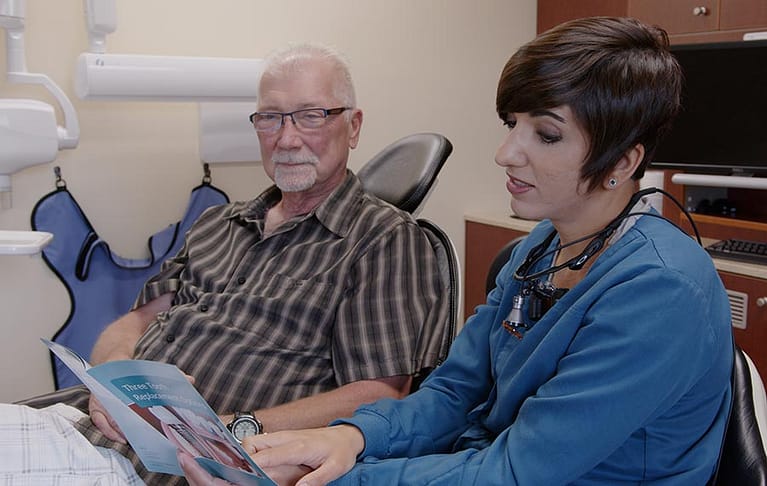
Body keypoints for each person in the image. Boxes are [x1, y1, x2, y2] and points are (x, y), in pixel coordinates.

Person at [182, 17, 734, 485]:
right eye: (511, 125)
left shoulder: (661, 290)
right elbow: (452, 391)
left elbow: (519, 471)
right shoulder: (540, 248)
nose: (505, 153)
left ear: (622, 163)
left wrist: (337, 476)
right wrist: (348, 437)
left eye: (545, 135)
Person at [7, 42, 448, 485]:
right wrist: (110, 382)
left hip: (173, 472)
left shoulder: (385, 240)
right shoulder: (217, 222)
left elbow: (380, 393)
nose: (287, 138)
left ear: (352, 126)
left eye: (311, 115)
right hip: (85, 431)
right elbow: (133, 322)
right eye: (270, 117)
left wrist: (233, 429)